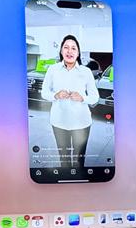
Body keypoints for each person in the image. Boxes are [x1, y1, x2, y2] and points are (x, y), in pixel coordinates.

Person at [40, 34, 99, 171]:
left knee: (79, 161)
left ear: (78, 53)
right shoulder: (52, 70)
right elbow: (44, 92)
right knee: (64, 160)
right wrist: (55, 95)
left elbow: (95, 97)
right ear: (61, 51)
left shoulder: (86, 71)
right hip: (59, 122)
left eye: (73, 48)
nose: (69, 51)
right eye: (66, 47)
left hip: (81, 123)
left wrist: (82, 98)